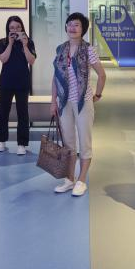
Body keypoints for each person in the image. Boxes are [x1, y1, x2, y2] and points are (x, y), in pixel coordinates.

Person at [50, 12, 106, 197]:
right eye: (70, 24)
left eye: (76, 25)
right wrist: (53, 101)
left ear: (83, 29)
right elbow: (56, 78)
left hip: (83, 102)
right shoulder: (61, 49)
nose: (72, 28)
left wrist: (97, 94)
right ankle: (69, 179)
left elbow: (102, 74)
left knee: (85, 141)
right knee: (68, 142)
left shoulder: (88, 50)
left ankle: (81, 180)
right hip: (64, 102)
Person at [0, 16, 36, 155]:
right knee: (3, 112)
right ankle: (1, 141)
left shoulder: (29, 42)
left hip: (22, 82)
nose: (15, 30)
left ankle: (22, 144)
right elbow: (3, 59)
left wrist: (24, 45)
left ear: (22, 27)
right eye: (12, 27)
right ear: (8, 29)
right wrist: (10, 43)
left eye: (18, 27)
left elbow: (32, 61)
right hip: (6, 81)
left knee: (23, 113)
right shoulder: (2, 42)